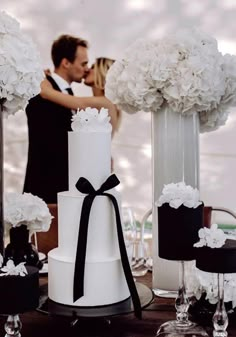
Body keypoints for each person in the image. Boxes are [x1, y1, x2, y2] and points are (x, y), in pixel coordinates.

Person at [23, 34, 90, 203]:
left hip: (69, 189)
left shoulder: (67, 94)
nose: (86, 69)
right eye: (83, 63)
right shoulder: (41, 91)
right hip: (45, 190)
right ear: (66, 63)